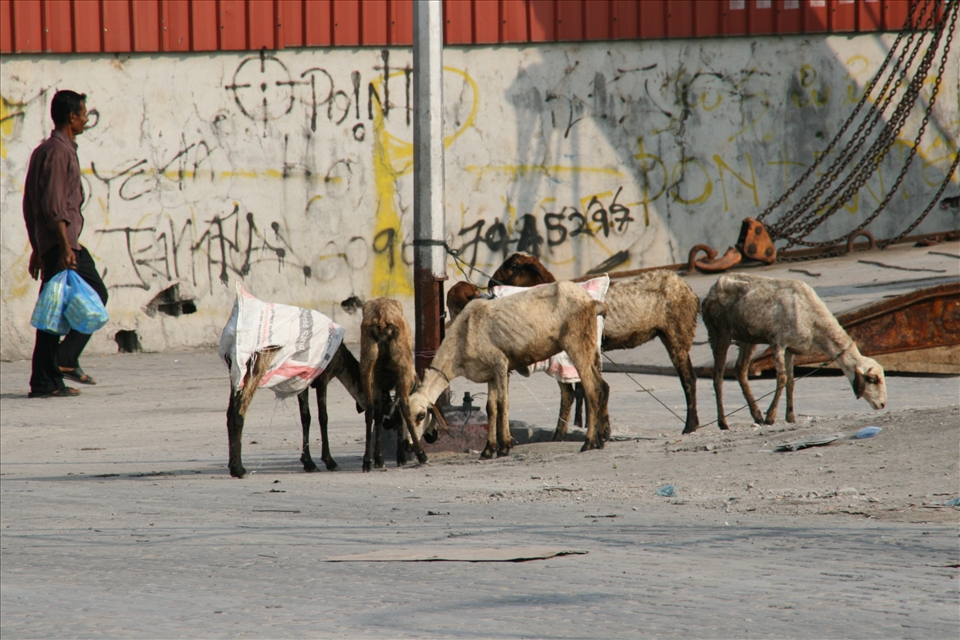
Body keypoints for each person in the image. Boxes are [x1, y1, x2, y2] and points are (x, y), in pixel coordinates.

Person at [23, 90, 108, 398]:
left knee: (53, 312)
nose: (86, 118)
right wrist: (64, 246)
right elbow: (53, 205)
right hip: (63, 243)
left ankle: (45, 381)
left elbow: (31, 204)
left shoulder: (48, 150)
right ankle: (64, 359)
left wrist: (37, 246)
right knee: (97, 293)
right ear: (72, 117)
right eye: (84, 113)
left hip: (53, 243)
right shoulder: (58, 152)